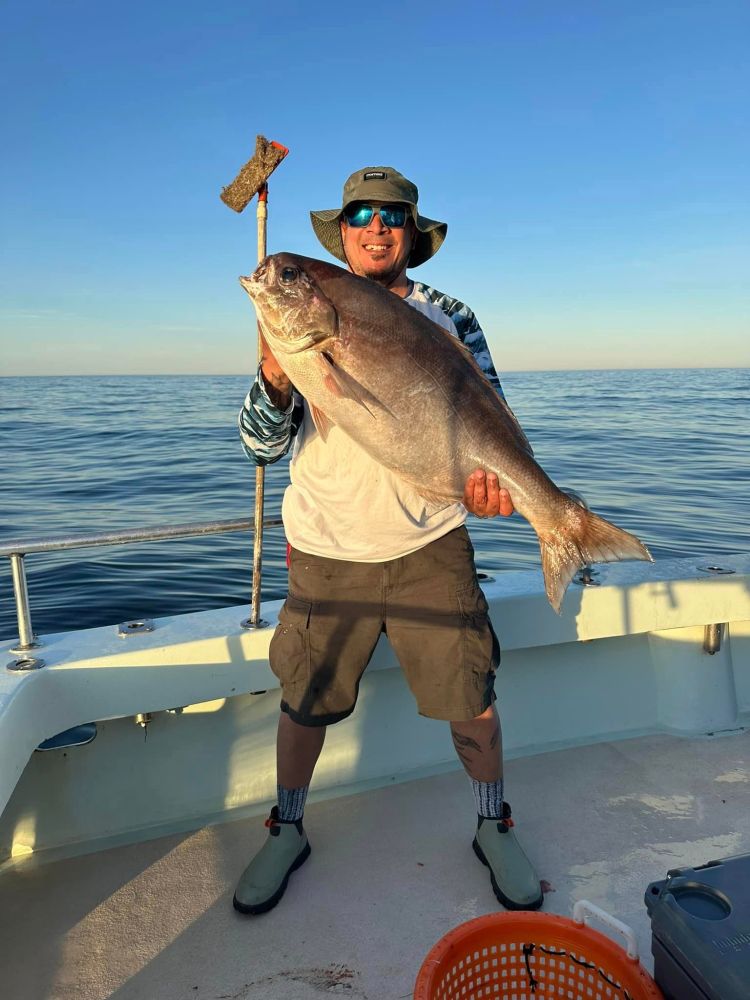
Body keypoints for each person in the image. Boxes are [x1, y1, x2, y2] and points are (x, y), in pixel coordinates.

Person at [233, 166, 543, 915]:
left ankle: (493, 822)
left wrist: (504, 486)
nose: (376, 226)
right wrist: (279, 379)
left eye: (393, 215)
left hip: (432, 541)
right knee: (304, 699)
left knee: (471, 695)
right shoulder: (304, 310)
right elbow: (258, 447)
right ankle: (287, 826)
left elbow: (490, 418)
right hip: (326, 546)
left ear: (413, 234)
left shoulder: (450, 315)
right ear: (341, 234)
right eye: (361, 214)